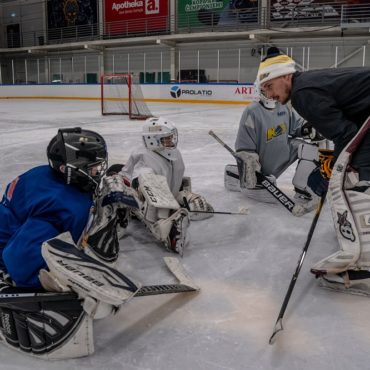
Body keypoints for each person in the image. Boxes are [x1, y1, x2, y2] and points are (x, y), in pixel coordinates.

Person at [0, 128, 140, 359]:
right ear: (67, 170)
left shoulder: (42, 175)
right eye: (93, 168)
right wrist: (48, 283)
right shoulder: (62, 205)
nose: (98, 171)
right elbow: (19, 257)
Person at [257, 47, 370, 294]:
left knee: (355, 188)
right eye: (263, 89)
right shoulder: (306, 84)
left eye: (268, 85)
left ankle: (365, 269)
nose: (268, 94)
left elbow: (346, 134)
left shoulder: (302, 93)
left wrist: (337, 169)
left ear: (284, 75)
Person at [225, 58, 323, 210]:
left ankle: (303, 188)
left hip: (282, 153)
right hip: (262, 168)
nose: (269, 94)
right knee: (266, 195)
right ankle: (236, 176)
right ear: (259, 89)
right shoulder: (252, 112)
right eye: (264, 89)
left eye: (269, 88)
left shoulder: (283, 106)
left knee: (309, 149)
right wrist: (250, 165)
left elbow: (296, 126)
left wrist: (308, 129)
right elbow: (245, 146)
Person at [113, 116, 214, 256]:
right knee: (161, 218)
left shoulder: (173, 154)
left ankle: (175, 213)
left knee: (195, 204)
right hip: (147, 202)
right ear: (152, 140)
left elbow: (174, 182)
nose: (171, 141)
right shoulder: (144, 160)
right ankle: (167, 231)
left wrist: (186, 196)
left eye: (171, 137)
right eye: (167, 138)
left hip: (167, 195)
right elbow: (141, 183)